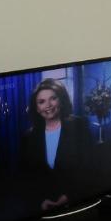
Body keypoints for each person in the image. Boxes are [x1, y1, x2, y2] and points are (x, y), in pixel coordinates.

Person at [20, 78, 93, 212]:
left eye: (53, 98)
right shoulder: (29, 137)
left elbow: (90, 168)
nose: (48, 105)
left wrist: (69, 196)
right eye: (41, 102)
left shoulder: (79, 125)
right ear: (36, 108)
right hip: (42, 208)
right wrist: (40, 201)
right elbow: (27, 178)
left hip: (77, 202)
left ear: (61, 100)